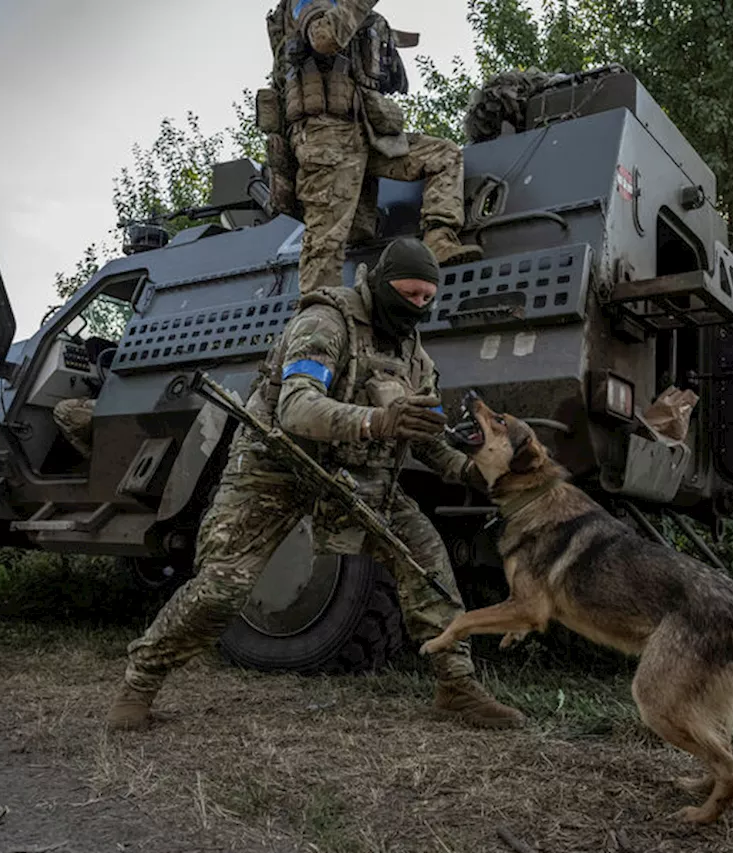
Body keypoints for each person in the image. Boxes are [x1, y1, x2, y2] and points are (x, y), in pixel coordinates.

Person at [105, 238, 525, 731]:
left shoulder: (415, 360)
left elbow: (427, 440)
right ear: (380, 284)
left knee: (428, 567)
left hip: (355, 476)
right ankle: (140, 682)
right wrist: (379, 421)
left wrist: (471, 472)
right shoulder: (325, 323)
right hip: (276, 467)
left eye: (426, 300)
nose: (417, 308)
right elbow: (296, 408)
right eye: (408, 295)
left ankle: (456, 686)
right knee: (222, 588)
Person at [263, 0, 482, 296]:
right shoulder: (308, 4)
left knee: (443, 155)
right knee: (325, 244)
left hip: (365, 129)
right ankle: (318, 313)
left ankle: (438, 240)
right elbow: (323, 38)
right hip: (325, 137)